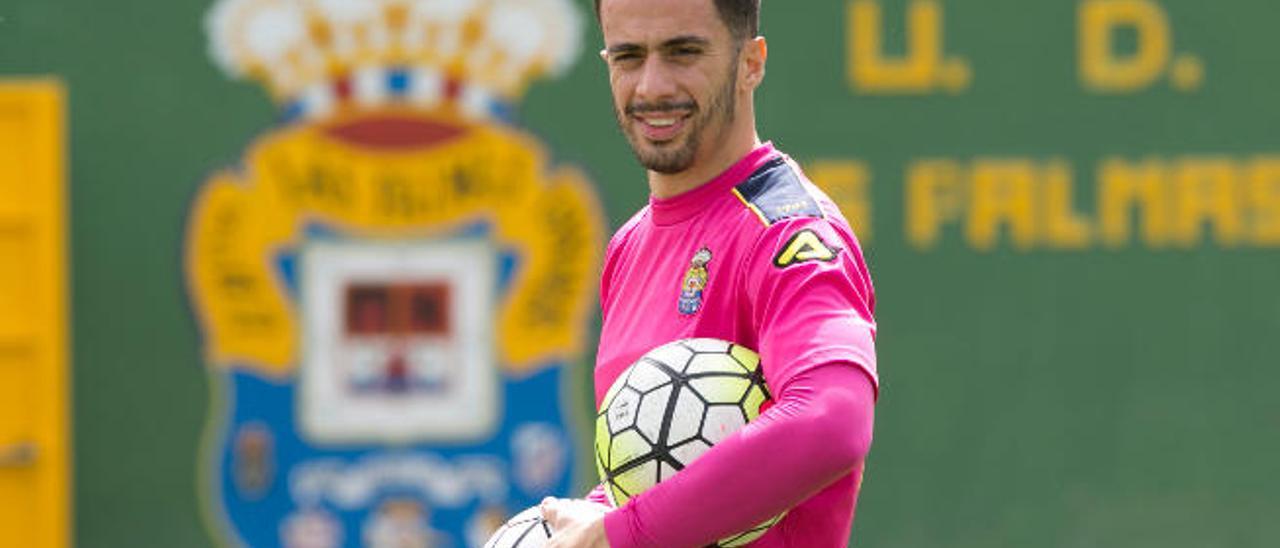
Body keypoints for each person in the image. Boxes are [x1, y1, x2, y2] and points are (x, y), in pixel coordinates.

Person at [540, 0, 878, 546]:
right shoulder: (629, 245)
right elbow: (648, 476)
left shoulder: (787, 232)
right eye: (628, 57)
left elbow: (832, 421)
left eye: (683, 52)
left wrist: (620, 533)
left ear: (751, 63)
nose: (651, 86)